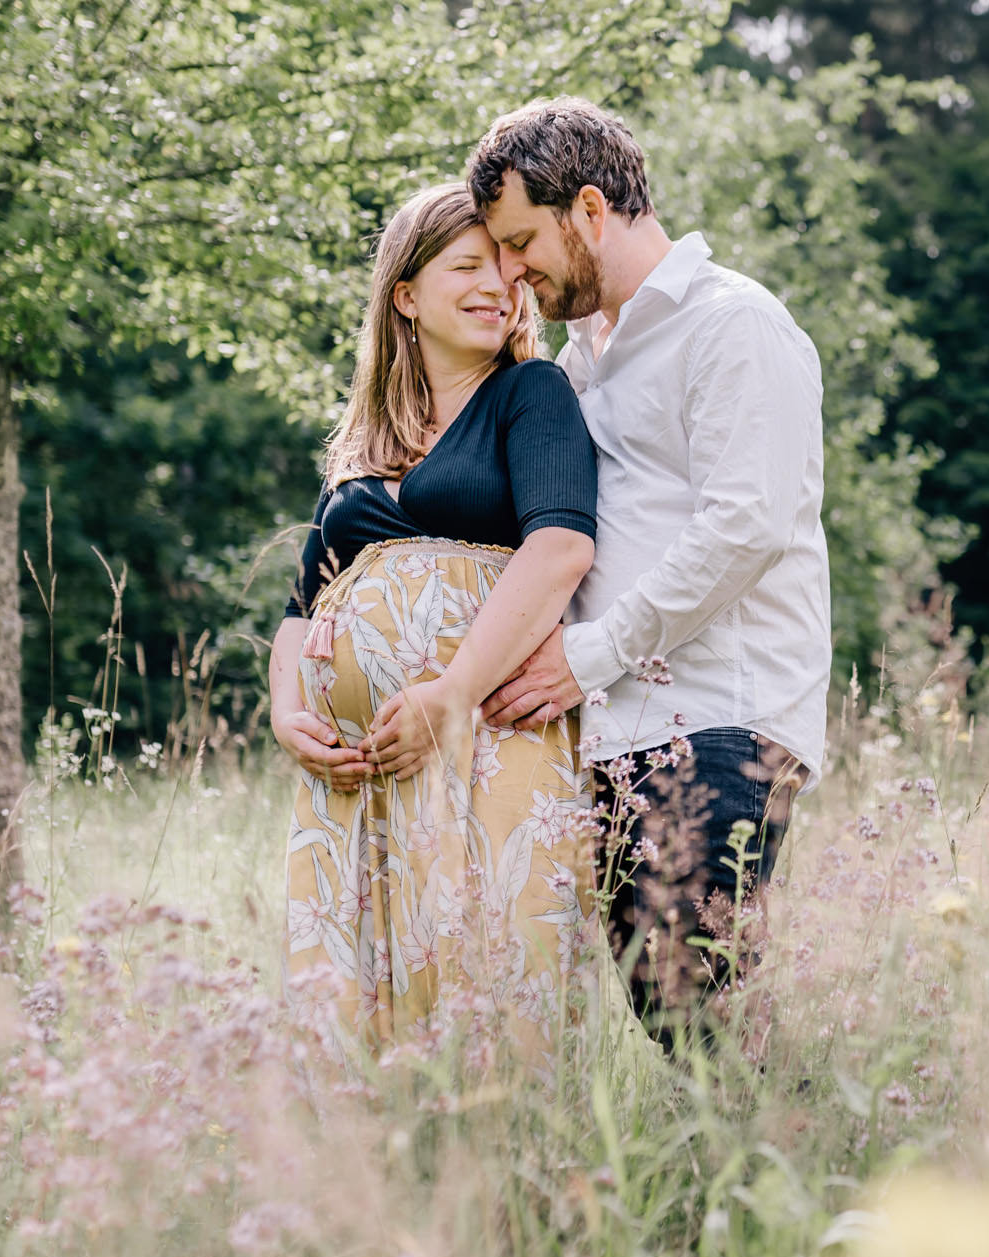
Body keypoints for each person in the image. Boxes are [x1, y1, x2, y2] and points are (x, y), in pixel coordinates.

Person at [468, 98, 832, 1046]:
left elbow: (744, 526)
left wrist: (589, 655)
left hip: (720, 718)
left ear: (589, 209)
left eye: (520, 242)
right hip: (618, 730)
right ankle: (769, 1186)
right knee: (676, 1023)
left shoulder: (733, 325)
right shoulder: (587, 356)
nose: (511, 273)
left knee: (704, 1019)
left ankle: (821, 1188)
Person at [268, 182, 599, 1072]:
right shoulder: (362, 445)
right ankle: (385, 1196)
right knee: (363, 1006)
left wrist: (452, 694)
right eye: (467, 267)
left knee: (494, 976)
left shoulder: (533, 395)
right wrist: (286, 712)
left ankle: (507, 1195)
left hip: (486, 740)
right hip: (355, 776)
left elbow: (562, 548)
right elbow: (302, 611)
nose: (499, 286)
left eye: (506, 269)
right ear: (405, 295)